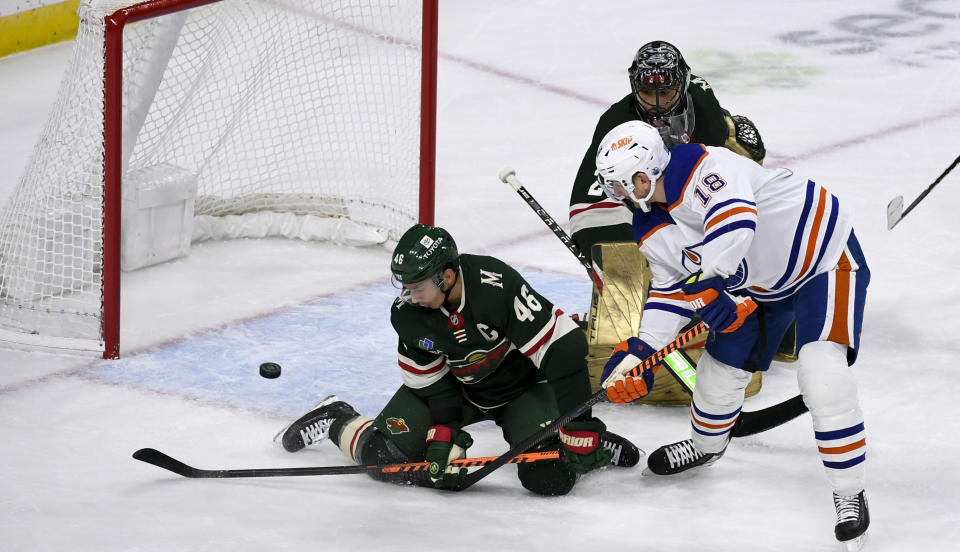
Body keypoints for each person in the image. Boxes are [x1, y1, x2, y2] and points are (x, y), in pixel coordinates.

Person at [594, 121, 870, 548]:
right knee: (718, 371)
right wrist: (638, 352)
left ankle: (849, 491)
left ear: (651, 166)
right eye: (614, 188)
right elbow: (670, 289)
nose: (625, 195)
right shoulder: (647, 224)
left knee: (822, 373)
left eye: (631, 183)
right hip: (755, 284)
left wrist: (708, 283)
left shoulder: (704, 166)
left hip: (823, 257)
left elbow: (736, 222)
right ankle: (706, 446)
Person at [276, 223, 639, 495]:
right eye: (404, 286)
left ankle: (580, 438)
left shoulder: (495, 286)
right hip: (459, 392)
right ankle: (337, 418)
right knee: (385, 459)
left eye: (417, 287)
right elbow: (431, 382)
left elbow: (565, 349)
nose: (410, 296)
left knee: (550, 478)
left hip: (521, 391)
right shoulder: (408, 314)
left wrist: (580, 420)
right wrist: (443, 434)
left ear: (447, 276)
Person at [569, 40, 766, 256]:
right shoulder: (617, 122)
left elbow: (715, 167)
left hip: (670, 186)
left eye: (665, 93)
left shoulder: (701, 103)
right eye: (646, 92)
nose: (656, 103)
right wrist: (605, 246)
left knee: (742, 143)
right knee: (616, 245)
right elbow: (591, 199)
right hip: (632, 195)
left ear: (683, 85)